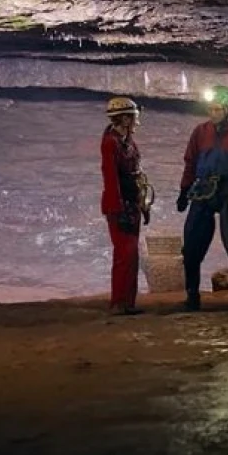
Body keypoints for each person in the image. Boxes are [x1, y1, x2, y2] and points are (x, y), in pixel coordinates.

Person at [176, 85, 228, 310]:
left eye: (217, 109)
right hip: (203, 190)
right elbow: (190, 163)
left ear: (226, 109)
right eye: (210, 109)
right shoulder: (200, 131)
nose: (213, 113)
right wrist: (184, 192)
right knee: (192, 246)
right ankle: (192, 295)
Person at [101, 96, 149, 315]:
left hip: (131, 205)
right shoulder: (110, 143)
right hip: (120, 207)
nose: (137, 120)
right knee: (124, 254)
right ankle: (118, 302)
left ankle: (128, 302)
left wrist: (142, 203)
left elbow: (137, 174)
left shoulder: (127, 141)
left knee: (131, 255)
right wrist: (117, 209)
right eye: (133, 116)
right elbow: (111, 178)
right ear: (125, 118)